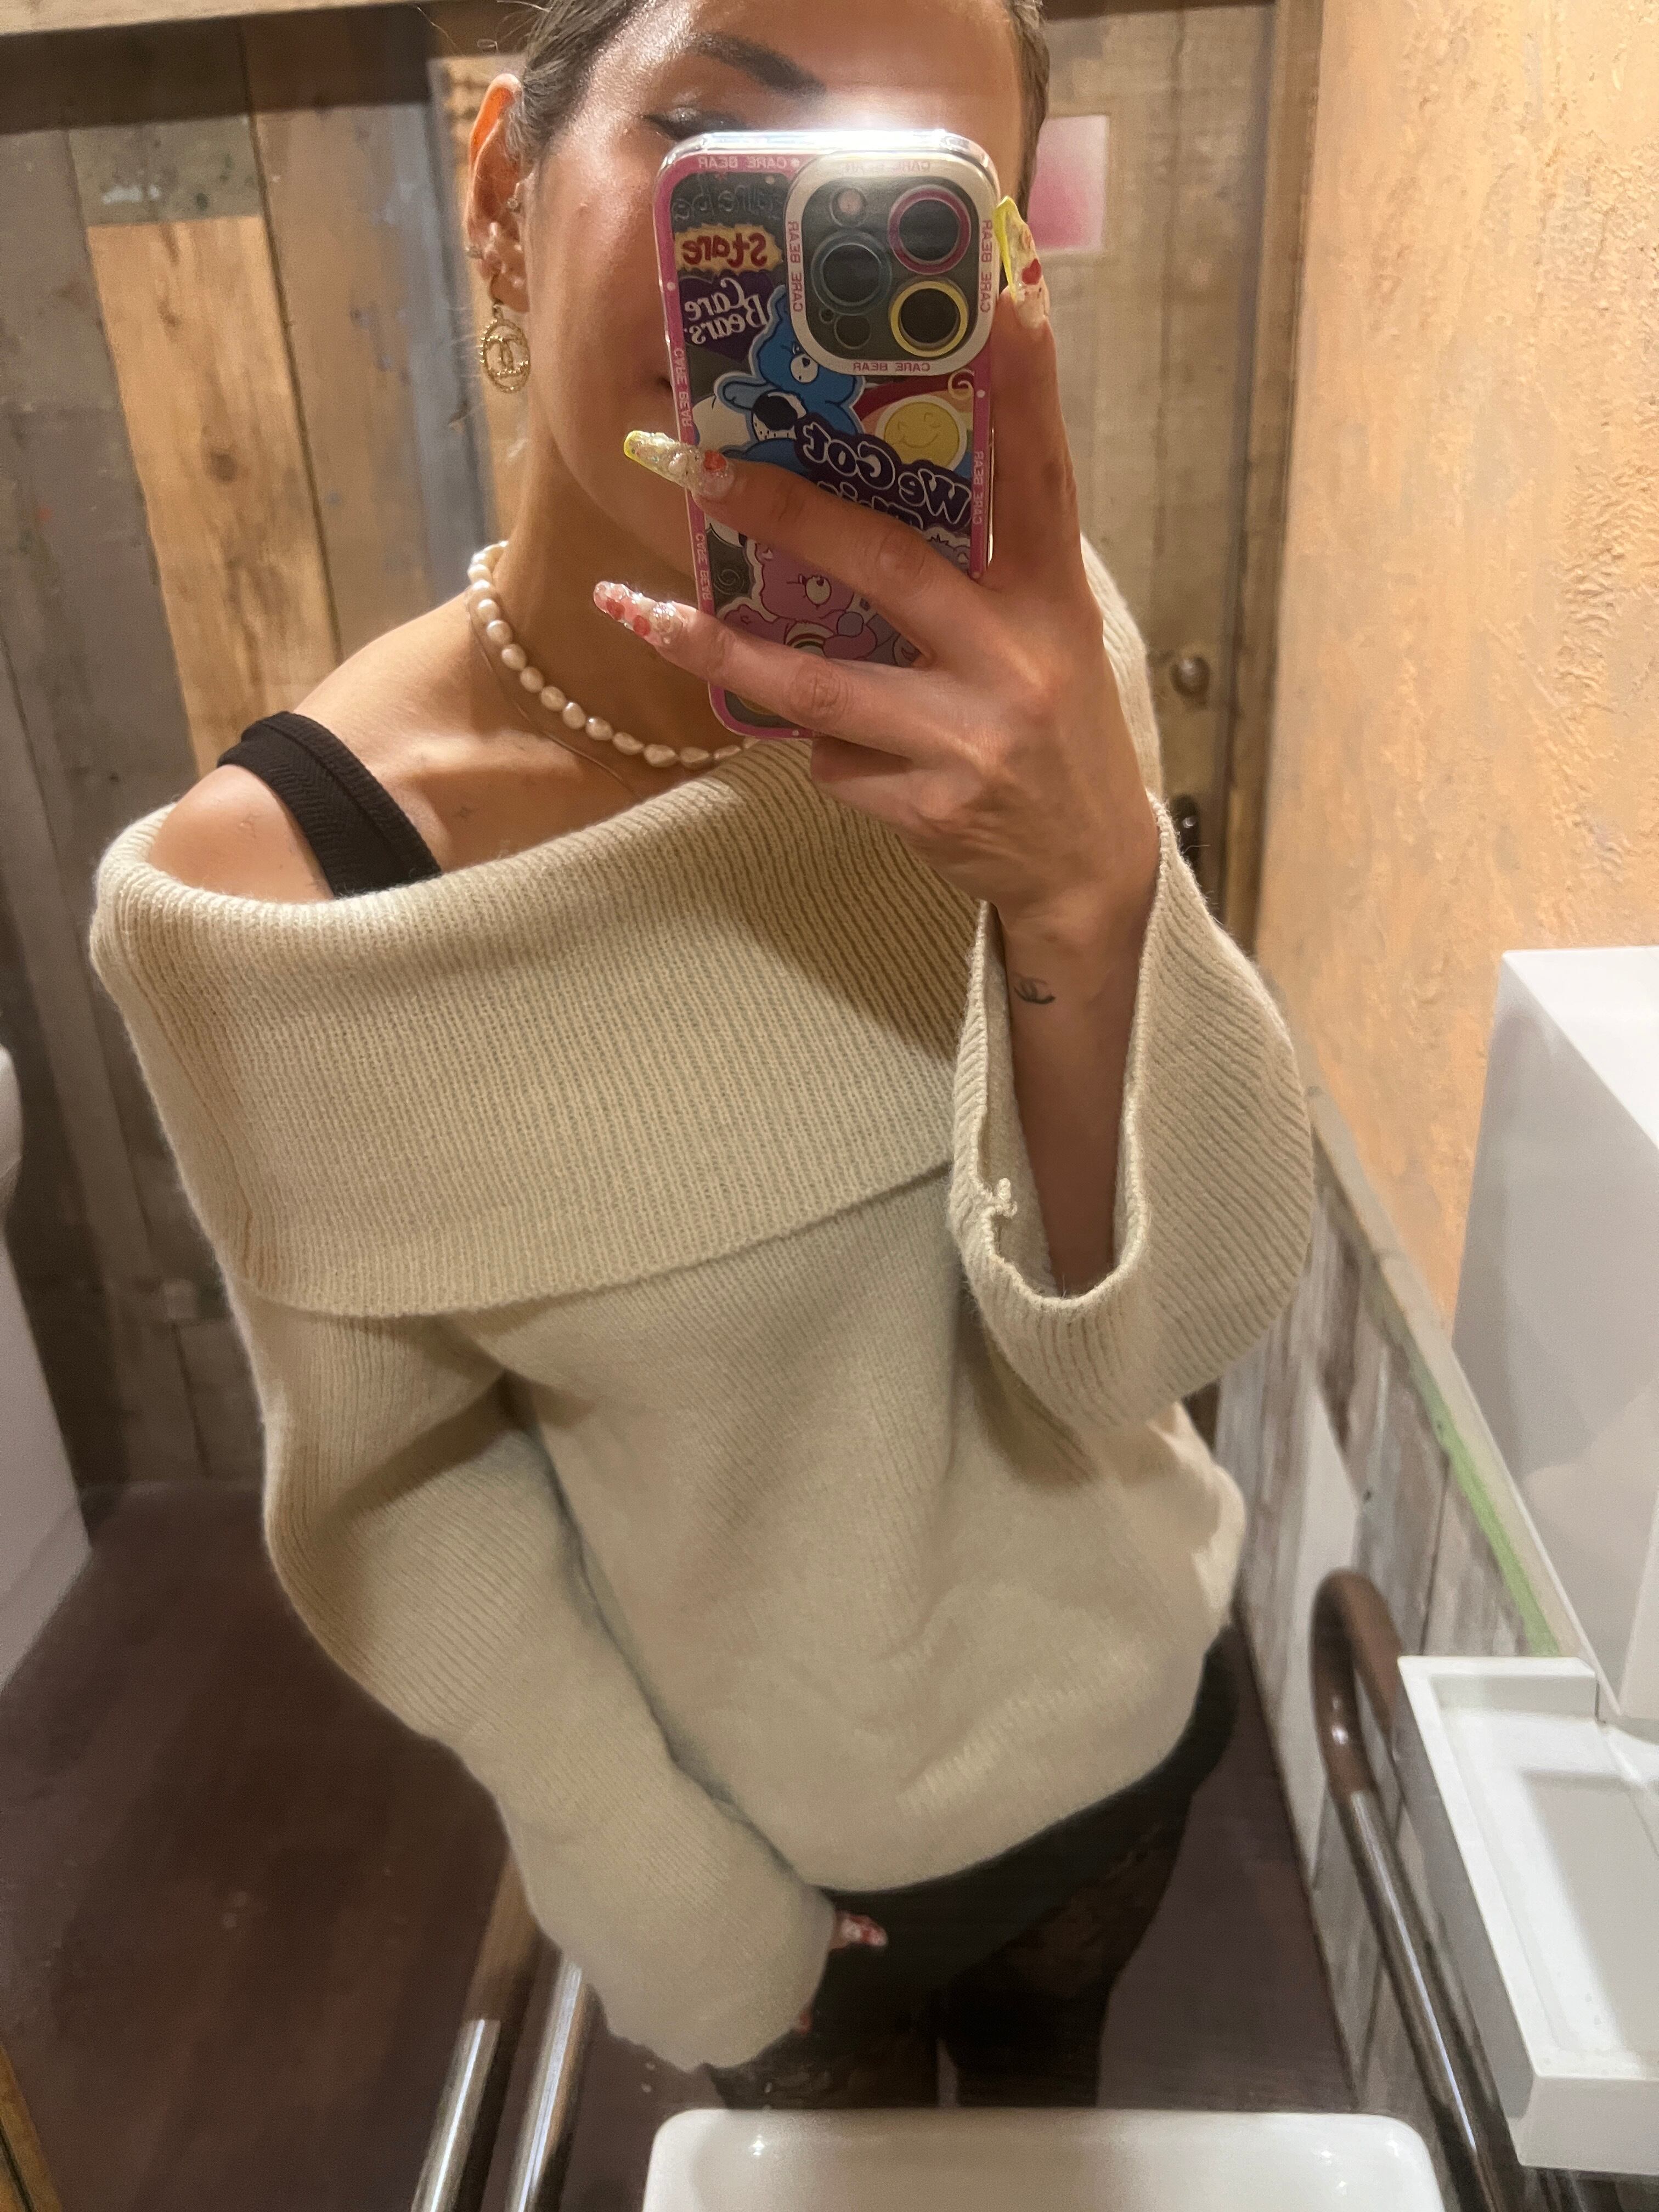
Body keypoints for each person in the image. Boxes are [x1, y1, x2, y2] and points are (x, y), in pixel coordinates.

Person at [89, 0, 1314, 2109]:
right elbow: (407, 1503)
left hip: (1126, 1734)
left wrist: (1091, 892)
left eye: (911, 202)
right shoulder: (274, 906)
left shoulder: (1033, 687)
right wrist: (674, 1907)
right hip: (773, 1865)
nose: (793, 272)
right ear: (505, 185)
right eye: (723, 147)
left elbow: (1161, 1335)